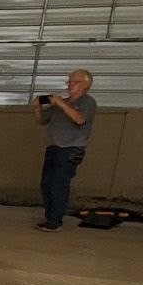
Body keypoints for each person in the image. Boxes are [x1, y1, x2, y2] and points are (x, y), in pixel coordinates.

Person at [32, 69, 96, 231]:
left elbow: (80, 120)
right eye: (69, 82)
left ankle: (55, 221)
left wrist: (61, 103)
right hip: (53, 148)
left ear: (86, 85)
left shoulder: (87, 102)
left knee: (58, 184)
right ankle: (50, 217)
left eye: (75, 82)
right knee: (46, 184)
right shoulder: (61, 104)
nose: (70, 85)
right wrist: (37, 107)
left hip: (69, 150)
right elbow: (41, 120)